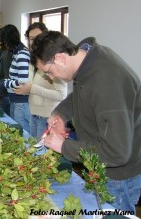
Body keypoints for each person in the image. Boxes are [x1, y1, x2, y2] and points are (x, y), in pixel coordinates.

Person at [31, 31, 141, 213]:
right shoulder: (88, 62)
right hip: (100, 164)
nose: (50, 78)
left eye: (48, 72)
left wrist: (64, 146)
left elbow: (117, 153)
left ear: (60, 58)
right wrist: (60, 114)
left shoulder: (107, 81)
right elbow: (83, 95)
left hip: (118, 176)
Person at [13, 23, 67, 141]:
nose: (35, 41)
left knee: (43, 154)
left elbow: (62, 95)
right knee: (34, 152)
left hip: (47, 117)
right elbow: (32, 87)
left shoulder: (53, 60)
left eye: (38, 37)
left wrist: (32, 89)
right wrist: (24, 90)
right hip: (34, 114)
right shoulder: (33, 61)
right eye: (31, 39)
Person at [0, 24, 31, 132]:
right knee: (15, 132)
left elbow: (22, 81)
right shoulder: (16, 53)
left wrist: (3, 83)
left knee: (21, 134)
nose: (4, 45)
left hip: (21, 101)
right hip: (14, 99)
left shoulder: (21, 54)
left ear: (8, 40)